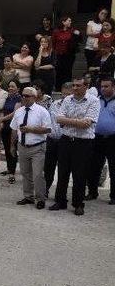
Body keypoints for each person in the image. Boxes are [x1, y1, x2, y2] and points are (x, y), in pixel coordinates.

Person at [49, 77, 100, 216]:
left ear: (86, 86)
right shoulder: (67, 99)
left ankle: (78, 204)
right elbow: (58, 119)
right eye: (74, 85)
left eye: (78, 85)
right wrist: (77, 121)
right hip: (66, 140)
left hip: (83, 142)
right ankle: (60, 201)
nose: (75, 88)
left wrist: (68, 121)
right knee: (62, 172)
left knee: (80, 174)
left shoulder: (94, 101)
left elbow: (87, 124)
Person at [10, 86, 52, 209]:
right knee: (25, 173)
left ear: (34, 97)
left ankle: (40, 198)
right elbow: (14, 129)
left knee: (38, 174)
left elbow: (48, 129)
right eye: (22, 95)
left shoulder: (42, 111)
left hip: (37, 147)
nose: (24, 97)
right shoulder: (19, 111)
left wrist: (31, 129)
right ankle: (28, 196)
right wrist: (12, 146)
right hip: (22, 147)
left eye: (27, 96)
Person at [86, 77, 115, 205]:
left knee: (114, 168)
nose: (103, 89)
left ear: (113, 87)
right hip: (96, 138)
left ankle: (114, 196)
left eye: (106, 86)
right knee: (93, 166)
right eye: (102, 86)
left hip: (113, 139)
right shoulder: (96, 101)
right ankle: (92, 192)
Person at [44, 82, 73, 198]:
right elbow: (49, 120)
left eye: (68, 95)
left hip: (64, 140)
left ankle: (60, 195)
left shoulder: (73, 106)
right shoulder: (55, 104)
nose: (65, 97)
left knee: (63, 169)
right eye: (63, 94)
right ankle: (45, 190)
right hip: (51, 139)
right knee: (48, 167)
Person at [0, 80, 22, 184]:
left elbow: (15, 113)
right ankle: (9, 169)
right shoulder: (7, 97)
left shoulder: (19, 98)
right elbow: (3, 110)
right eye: (9, 86)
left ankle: (12, 173)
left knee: (12, 149)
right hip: (5, 126)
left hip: (14, 127)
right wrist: (2, 122)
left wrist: (2, 120)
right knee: (7, 149)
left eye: (13, 86)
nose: (10, 88)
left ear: (18, 88)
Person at [52, 16, 81, 91]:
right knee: (59, 71)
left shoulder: (73, 30)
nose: (70, 22)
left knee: (68, 71)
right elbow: (53, 42)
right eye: (69, 20)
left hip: (69, 54)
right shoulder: (56, 31)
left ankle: (67, 89)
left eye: (70, 21)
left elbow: (79, 40)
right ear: (63, 22)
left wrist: (78, 34)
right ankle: (58, 88)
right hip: (59, 54)